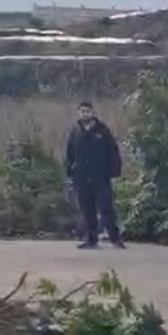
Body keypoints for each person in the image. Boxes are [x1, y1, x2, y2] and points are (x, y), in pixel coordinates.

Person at [65, 101, 125, 249]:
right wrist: (70, 171)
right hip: (82, 176)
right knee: (87, 208)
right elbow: (69, 154)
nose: (85, 113)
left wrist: (114, 169)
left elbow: (112, 150)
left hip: (100, 175)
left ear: (92, 112)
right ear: (79, 113)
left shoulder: (102, 130)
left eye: (87, 111)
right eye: (82, 111)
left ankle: (115, 238)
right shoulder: (75, 132)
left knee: (106, 207)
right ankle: (91, 239)